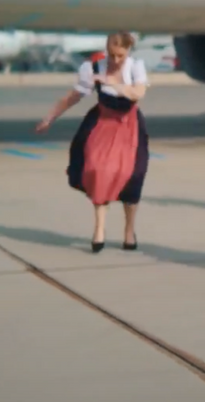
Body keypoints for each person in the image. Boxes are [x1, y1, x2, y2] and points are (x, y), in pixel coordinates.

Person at [36, 32, 150, 252]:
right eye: (112, 54)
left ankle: (129, 230)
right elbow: (71, 98)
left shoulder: (135, 67)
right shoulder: (93, 68)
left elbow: (138, 93)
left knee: (133, 175)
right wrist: (49, 118)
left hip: (129, 126)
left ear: (128, 52)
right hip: (102, 123)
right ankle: (99, 230)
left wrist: (111, 82)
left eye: (120, 55)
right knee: (98, 171)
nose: (116, 60)